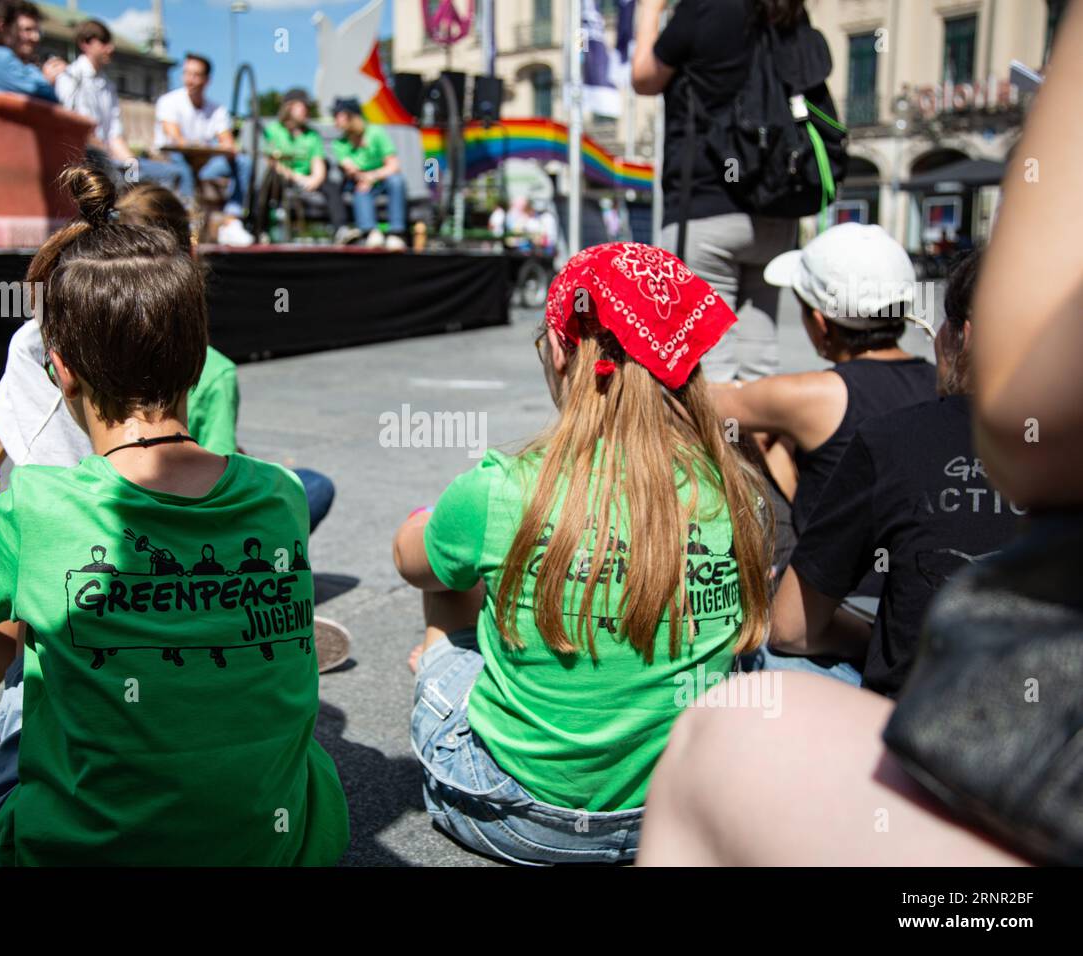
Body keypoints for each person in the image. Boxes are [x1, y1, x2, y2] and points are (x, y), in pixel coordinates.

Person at [636, 5, 1083, 867]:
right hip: (772, 204)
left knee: (730, 722)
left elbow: (699, 400)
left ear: (820, 321)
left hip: (930, 689)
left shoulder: (825, 399)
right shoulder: (795, 24)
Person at [0, 165, 349, 865]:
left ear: (61, 369)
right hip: (279, 849)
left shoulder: (38, 509)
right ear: (199, 356)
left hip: (77, 855)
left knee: (26, 694)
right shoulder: (281, 497)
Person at [391, 242, 771, 864]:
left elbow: (410, 561)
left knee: (449, 567)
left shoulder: (504, 487)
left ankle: (444, 653)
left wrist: (431, 521)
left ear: (564, 349)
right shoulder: (733, 490)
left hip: (514, 816)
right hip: (672, 816)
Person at [759, 250, 1026, 693]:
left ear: (967, 336)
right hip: (1061, 730)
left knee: (768, 652)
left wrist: (870, 639)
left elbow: (791, 628)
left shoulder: (893, 436)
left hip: (920, 727)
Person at [710, 223, 937, 566]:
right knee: (784, 438)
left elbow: (705, 401)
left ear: (820, 322)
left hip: (833, 598)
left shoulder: (813, 394)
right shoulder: (937, 381)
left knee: (744, 436)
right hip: (910, 579)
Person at [633, 0, 814, 381]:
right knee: (757, 360)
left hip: (707, 205)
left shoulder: (704, 7)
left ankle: (720, 440)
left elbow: (644, 77)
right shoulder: (787, 11)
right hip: (775, 207)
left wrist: (649, 10)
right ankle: (758, 439)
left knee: (709, 368)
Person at [54, 21, 184, 197]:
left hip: (110, 161)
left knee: (172, 174)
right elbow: (75, 129)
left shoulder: (108, 85)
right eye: (104, 42)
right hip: (87, 160)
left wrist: (132, 167)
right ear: (86, 44)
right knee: (122, 181)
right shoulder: (70, 77)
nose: (110, 48)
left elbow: (115, 137)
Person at [153, 53, 255, 247]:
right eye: (186, 73)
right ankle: (190, 223)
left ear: (207, 80)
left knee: (243, 162)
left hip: (205, 165)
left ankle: (232, 220)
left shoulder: (217, 110)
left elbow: (228, 143)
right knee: (182, 166)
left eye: (195, 74)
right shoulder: (169, 101)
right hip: (171, 160)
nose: (189, 79)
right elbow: (176, 138)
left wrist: (225, 147)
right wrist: (205, 146)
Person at [261, 88, 347, 241]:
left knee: (332, 186)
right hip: (283, 178)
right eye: (303, 106)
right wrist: (296, 177)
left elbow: (318, 164)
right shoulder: (274, 130)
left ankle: (341, 230)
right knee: (266, 183)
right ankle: (260, 229)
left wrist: (314, 180)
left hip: (308, 179)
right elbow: (272, 162)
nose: (307, 111)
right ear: (289, 107)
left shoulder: (312, 135)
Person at [331, 98, 407, 250]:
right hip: (359, 180)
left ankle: (396, 233)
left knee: (396, 181)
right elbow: (350, 170)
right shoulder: (340, 143)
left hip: (381, 177)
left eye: (338, 116)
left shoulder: (376, 133)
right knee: (360, 189)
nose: (335, 121)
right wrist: (364, 178)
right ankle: (370, 232)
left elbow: (394, 165)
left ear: (351, 117)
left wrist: (372, 176)